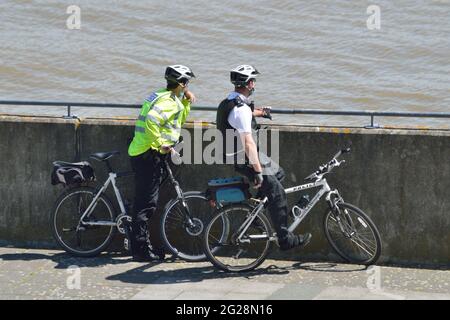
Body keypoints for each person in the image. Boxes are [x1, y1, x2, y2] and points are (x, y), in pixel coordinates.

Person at [216, 65, 312, 250]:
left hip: (236, 153)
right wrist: (258, 171)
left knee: (280, 174)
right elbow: (248, 143)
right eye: (254, 82)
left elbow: (239, 116)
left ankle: (254, 215)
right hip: (243, 157)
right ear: (249, 83)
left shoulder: (230, 101)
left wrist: (259, 113)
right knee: (277, 193)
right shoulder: (240, 109)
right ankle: (285, 239)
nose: (254, 85)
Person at [128, 65, 196, 262]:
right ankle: (140, 250)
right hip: (148, 153)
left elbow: (177, 121)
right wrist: (161, 145)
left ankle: (142, 243)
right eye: (187, 83)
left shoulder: (160, 95)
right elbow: (152, 120)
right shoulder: (170, 102)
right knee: (146, 204)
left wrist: (186, 101)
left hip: (141, 150)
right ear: (181, 83)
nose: (188, 86)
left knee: (145, 200)